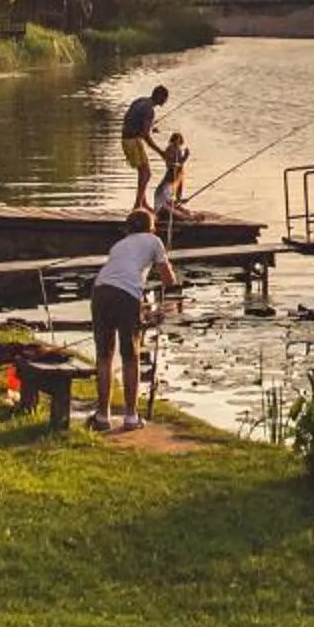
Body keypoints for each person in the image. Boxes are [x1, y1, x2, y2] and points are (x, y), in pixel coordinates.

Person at [87, 208, 180, 431]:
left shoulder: (118, 245)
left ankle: (102, 416)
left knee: (104, 356)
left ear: (128, 228)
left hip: (100, 291)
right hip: (126, 295)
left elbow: (121, 272)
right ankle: (130, 417)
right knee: (130, 357)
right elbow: (169, 280)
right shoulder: (154, 240)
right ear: (151, 227)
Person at [120, 84, 171, 211]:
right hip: (133, 141)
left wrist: (148, 128)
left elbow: (128, 119)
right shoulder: (150, 110)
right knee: (146, 173)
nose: (166, 101)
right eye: (165, 98)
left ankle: (143, 203)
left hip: (127, 139)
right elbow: (145, 136)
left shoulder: (140, 100)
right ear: (159, 96)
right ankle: (137, 205)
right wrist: (161, 152)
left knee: (143, 173)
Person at [152, 133, 192, 229]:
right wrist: (181, 212)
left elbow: (175, 200)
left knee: (188, 213)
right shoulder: (167, 183)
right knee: (186, 217)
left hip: (168, 207)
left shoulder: (178, 179)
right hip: (162, 209)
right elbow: (166, 203)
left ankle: (186, 217)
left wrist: (181, 202)